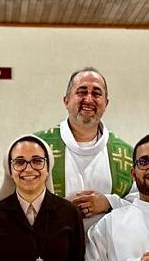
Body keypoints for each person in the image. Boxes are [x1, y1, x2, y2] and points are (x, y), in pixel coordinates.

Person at [34, 67, 135, 229]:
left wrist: (108, 203)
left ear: (106, 103)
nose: (89, 99)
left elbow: (140, 206)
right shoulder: (37, 147)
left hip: (109, 244)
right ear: (66, 100)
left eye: (96, 93)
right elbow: (19, 200)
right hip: (52, 241)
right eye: (81, 92)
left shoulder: (127, 154)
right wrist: (61, 207)